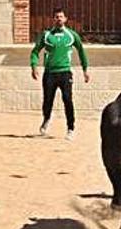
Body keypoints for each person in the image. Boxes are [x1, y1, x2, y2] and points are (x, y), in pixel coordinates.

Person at [30, 8, 90, 140]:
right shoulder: (46, 35)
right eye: (57, 17)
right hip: (50, 73)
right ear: (53, 19)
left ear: (65, 19)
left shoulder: (71, 35)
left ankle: (70, 128)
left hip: (65, 73)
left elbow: (81, 51)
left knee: (68, 99)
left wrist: (85, 69)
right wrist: (34, 66)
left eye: (61, 16)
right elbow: (35, 51)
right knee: (47, 100)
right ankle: (46, 119)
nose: (59, 19)